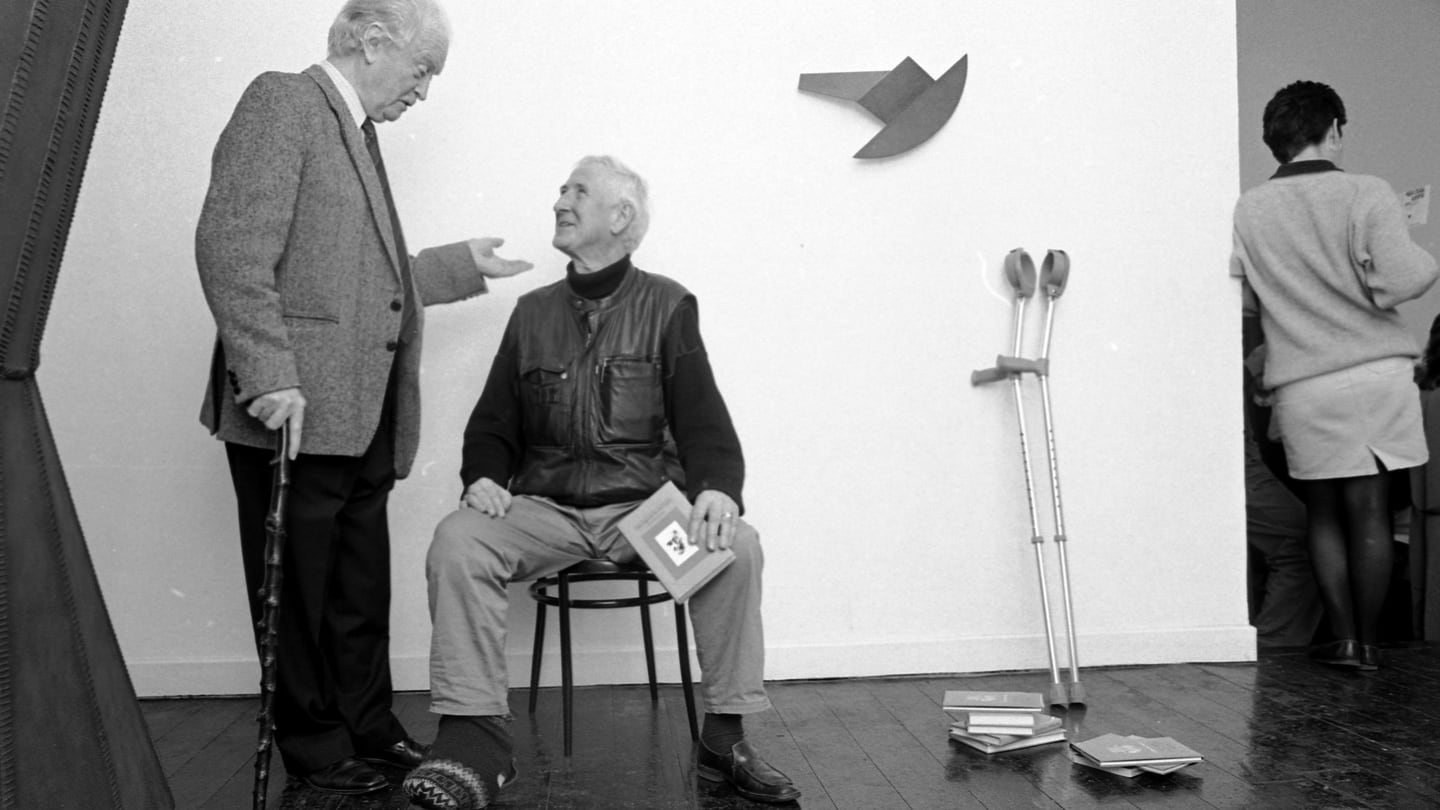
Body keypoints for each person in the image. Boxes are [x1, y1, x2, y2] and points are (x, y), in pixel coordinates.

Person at [195, 0, 531, 795]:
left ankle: (370, 728)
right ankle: (317, 747)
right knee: (298, 595)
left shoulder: (357, 130)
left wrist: (456, 266)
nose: (424, 90)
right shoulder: (283, 102)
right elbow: (230, 246)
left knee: (356, 591)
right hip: (295, 409)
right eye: (423, 69)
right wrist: (268, 372)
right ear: (374, 41)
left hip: (358, 413)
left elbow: (362, 276)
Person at [404, 156, 801, 809]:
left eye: (578, 191)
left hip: (641, 517)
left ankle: (724, 738)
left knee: (736, 548)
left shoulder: (668, 304)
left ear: (620, 217)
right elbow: (494, 422)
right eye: (562, 189)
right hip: (547, 511)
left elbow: (704, 420)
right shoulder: (531, 313)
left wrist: (717, 488)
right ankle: (477, 740)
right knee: (458, 541)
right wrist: (482, 477)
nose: (560, 200)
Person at [1230, 80, 1438, 671]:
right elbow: (1403, 279)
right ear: (1334, 131)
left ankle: (1342, 638)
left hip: (1302, 383)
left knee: (1322, 512)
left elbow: (1247, 302)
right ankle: (1368, 644)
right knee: (1370, 510)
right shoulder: (1366, 191)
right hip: (1374, 373)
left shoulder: (1249, 208)